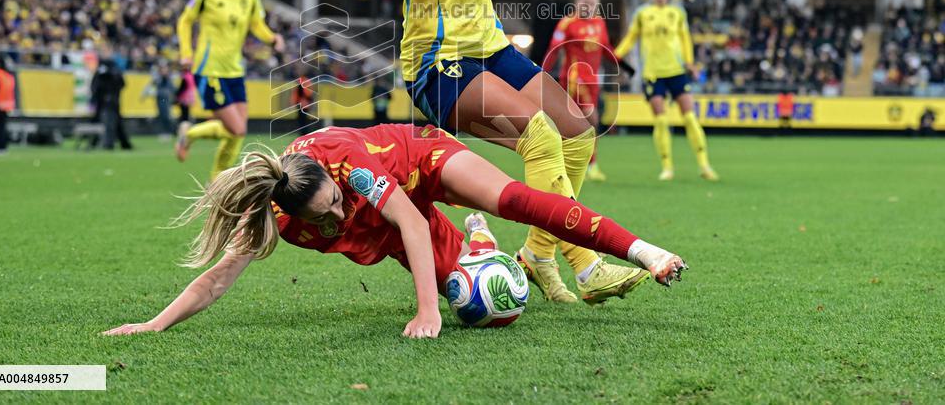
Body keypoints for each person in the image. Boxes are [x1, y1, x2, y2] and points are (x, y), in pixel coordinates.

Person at [365, 0, 643, 304]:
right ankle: (585, 263)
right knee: (540, 136)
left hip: (492, 49)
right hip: (440, 63)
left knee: (578, 134)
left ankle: (536, 254)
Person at [103, 124, 688, 339]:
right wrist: (154, 324)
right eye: (322, 219)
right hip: (388, 232)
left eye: (336, 202)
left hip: (419, 160)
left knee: (518, 201)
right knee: (488, 309)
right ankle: (482, 247)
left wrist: (425, 311)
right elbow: (216, 280)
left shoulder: (348, 164)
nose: (336, 216)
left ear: (332, 178)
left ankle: (645, 251)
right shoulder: (275, 216)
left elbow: (408, 217)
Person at [175, 0, 285, 179]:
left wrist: (272, 38)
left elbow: (256, 24)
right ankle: (192, 136)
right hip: (209, 69)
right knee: (237, 128)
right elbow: (185, 20)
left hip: (235, 70)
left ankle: (216, 182)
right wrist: (186, 52)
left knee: (236, 133)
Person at [615, 0, 718, 181]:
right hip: (653, 74)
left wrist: (690, 63)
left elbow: (685, 39)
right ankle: (667, 167)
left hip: (676, 71)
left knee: (690, 117)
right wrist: (616, 54)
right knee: (661, 120)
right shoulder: (642, 13)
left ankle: (704, 165)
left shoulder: (677, 13)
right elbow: (631, 37)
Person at [542, 0, 622, 182]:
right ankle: (590, 165)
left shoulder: (599, 22)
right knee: (590, 120)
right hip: (574, 79)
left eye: (593, 4)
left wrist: (622, 64)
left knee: (574, 124)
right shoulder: (567, 23)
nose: (589, 7)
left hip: (593, 80)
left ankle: (573, 164)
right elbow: (554, 50)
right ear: (577, 3)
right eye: (585, 3)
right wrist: (542, 73)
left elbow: (606, 48)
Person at [91, 55, 132, 150]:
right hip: (110, 102)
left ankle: (108, 143)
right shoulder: (111, 72)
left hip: (108, 103)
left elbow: (94, 87)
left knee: (109, 123)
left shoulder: (109, 72)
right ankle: (118, 143)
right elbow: (122, 84)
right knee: (112, 123)